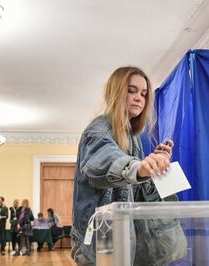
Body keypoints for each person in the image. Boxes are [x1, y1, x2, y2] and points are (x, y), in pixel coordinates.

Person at [71, 66, 174, 265]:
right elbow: (104, 160)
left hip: (123, 235)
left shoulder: (132, 137)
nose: (139, 99)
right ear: (116, 91)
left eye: (144, 94)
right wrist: (139, 167)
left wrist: (154, 166)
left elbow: (138, 190)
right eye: (131, 90)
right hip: (99, 241)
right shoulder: (98, 130)